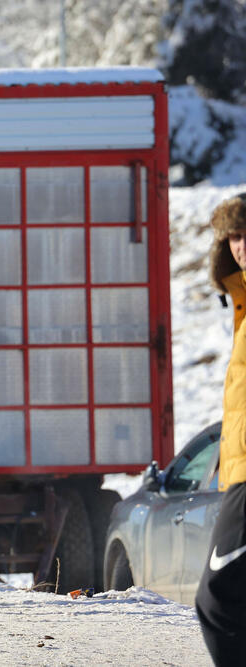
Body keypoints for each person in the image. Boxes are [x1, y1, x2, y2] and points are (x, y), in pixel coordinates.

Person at [197, 192, 246, 666]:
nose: (241, 245)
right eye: (234, 235)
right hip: (237, 469)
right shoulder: (242, 306)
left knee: (218, 600)